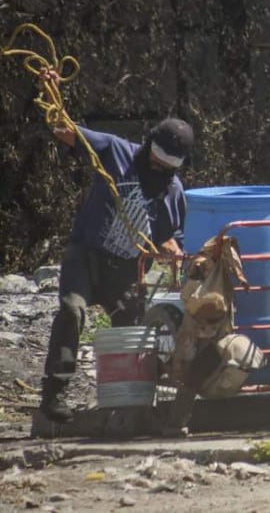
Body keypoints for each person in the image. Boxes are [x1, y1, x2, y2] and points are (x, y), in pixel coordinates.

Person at [40, 117, 194, 422]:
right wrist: (55, 109)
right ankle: (54, 394)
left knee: (132, 331)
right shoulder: (117, 151)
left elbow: (172, 237)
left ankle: (129, 401)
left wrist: (169, 249)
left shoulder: (173, 192)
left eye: (165, 166)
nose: (157, 168)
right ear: (148, 145)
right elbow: (69, 132)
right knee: (72, 310)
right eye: (154, 160)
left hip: (126, 272)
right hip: (86, 256)